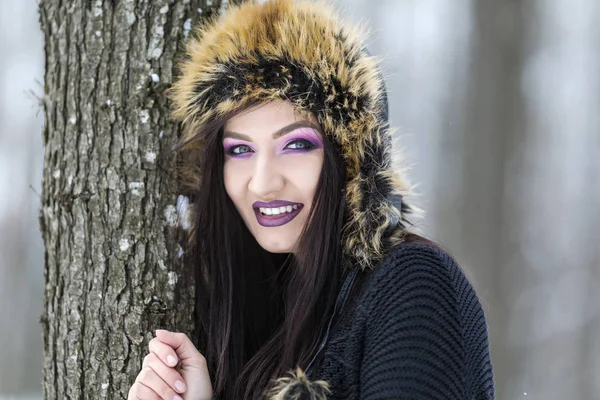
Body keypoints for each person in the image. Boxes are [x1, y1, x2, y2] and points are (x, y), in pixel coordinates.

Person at [127, 0, 496, 399]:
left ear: (351, 158)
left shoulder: (413, 284)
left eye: (296, 144)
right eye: (240, 151)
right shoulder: (255, 316)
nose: (263, 183)